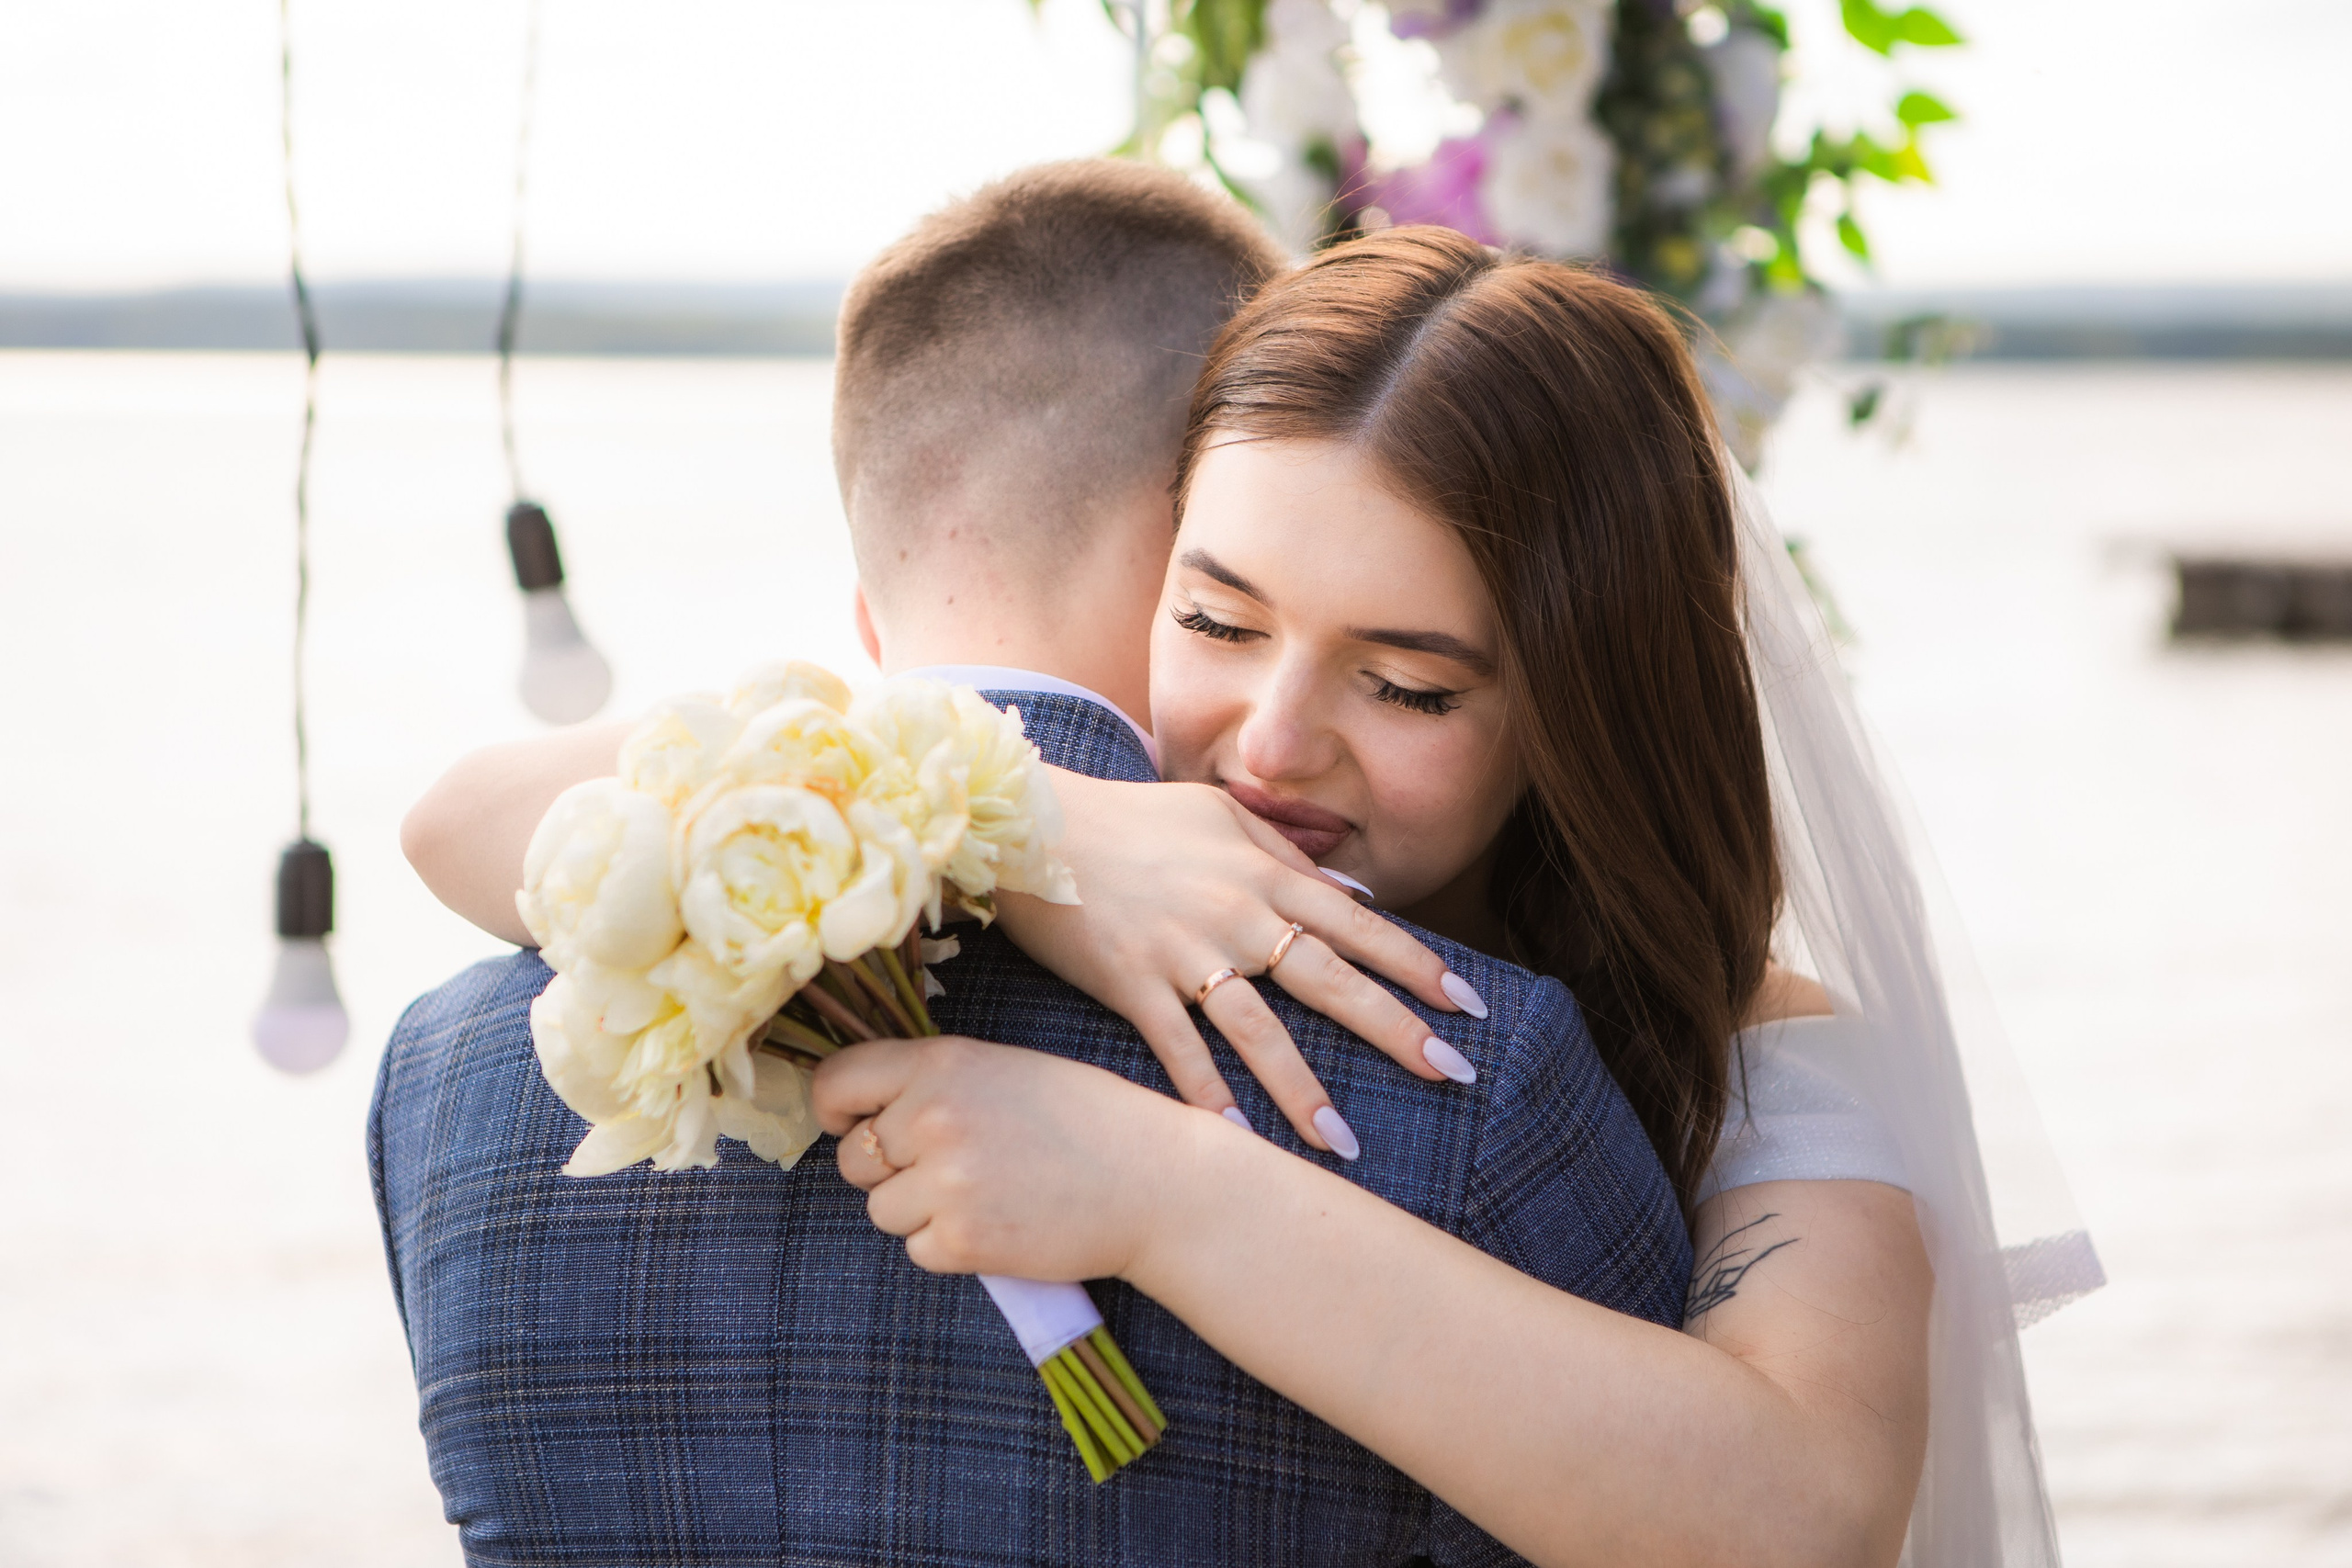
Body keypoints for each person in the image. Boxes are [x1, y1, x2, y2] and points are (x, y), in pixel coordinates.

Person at [376, 164, 1691, 1568]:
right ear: (1187, 550)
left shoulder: (448, 1076)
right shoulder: (1460, 1071)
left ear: (867, 621)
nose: (1285, 735)